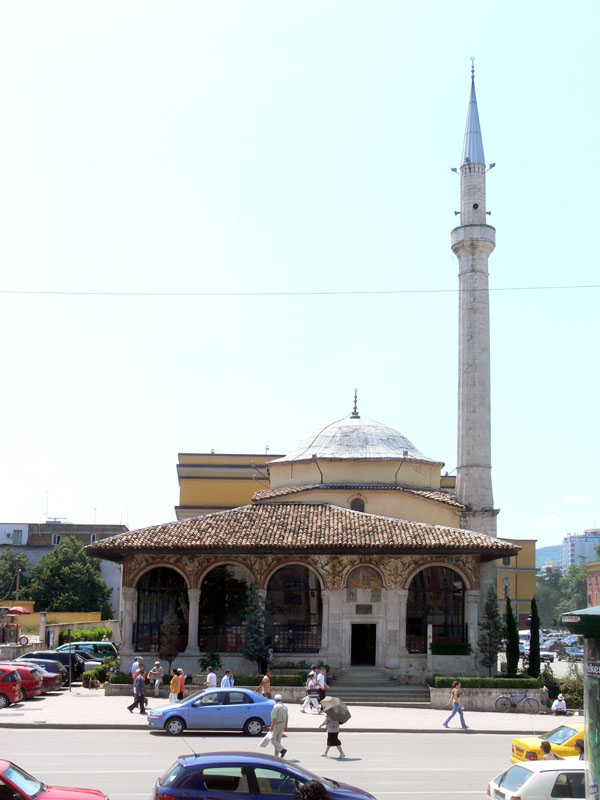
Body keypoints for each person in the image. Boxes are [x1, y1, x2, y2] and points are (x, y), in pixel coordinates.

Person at [270, 693, 288, 758]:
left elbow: (274, 718)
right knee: (278, 741)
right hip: (282, 724)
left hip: (277, 724)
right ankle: (276, 756)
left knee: (272, 739)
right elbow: (287, 717)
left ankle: (282, 750)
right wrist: (286, 726)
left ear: (275, 700)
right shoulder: (285, 706)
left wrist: (271, 727)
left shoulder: (276, 706)